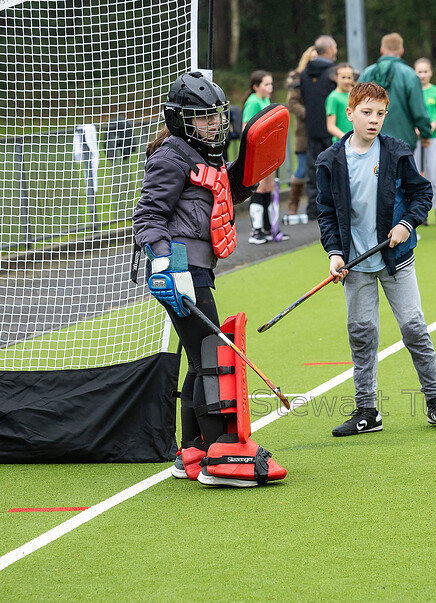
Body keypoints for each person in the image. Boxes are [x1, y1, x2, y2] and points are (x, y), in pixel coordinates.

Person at [133, 71, 286, 487]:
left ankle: (194, 452)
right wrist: (166, 266)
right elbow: (147, 217)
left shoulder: (207, 154)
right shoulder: (171, 155)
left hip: (200, 269)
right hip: (180, 270)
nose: (214, 124)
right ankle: (222, 455)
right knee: (214, 358)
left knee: (202, 357)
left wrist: (252, 170)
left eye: (217, 116)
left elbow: (221, 192)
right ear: (183, 120)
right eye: (203, 118)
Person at [315, 82, 436, 436]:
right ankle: (367, 411)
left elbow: (422, 192)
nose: (373, 120)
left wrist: (407, 223)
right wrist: (335, 253)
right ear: (349, 114)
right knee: (362, 333)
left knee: (413, 327)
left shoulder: (396, 152)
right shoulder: (330, 161)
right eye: (366, 112)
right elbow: (326, 213)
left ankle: (435, 402)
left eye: (380, 114)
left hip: (396, 259)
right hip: (355, 263)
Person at [358, 32, 432, 149]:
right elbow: (419, 112)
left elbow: (356, 108)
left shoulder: (366, 74)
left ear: (382, 50)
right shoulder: (410, 75)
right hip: (402, 142)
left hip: (369, 141)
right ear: (402, 51)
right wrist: (425, 134)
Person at [242, 70, 285, 243]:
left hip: (268, 151)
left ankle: (268, 228)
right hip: (258, 152)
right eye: (266, 84)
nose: (270, 87)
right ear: (256, 86)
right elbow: (246, 127)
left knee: (267, 188)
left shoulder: (265, 100)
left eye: (271, 84)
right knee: (259, 188)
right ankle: (256, 230)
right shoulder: (253, 102)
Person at [300, 35, 338, 220]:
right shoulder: (333, 73)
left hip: (312, 128)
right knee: (335, 170)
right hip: (332, 129)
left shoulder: (304, 73)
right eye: (336, 48)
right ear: (329, 50)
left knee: (313, 170)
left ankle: (313, 209)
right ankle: (334, 208)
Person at [413, 57, 436, 232]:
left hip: (435, 138)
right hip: (415, 140)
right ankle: (422, 213)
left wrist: (433, 125)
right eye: (419, 71)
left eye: (425, 71)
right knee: (417, 176)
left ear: (431, 72)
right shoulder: (411, 91)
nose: (422, 75)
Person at [285, 46, 317, 216]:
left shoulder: (323, 76)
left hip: (321, 131)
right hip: (304, 131)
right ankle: (293, 204)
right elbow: (292, 102)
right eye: (311, 57)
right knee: (302, 168)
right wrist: (310, 115)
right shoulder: (297, 78)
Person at [325, 62, 355, 142]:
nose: (346, 81)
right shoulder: (333, 97)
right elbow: (331, 126)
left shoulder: (354, 95)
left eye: (349, 78)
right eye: (343, 77)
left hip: (356, 143)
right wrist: (347, 139)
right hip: (341, 144)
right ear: (336, 78)